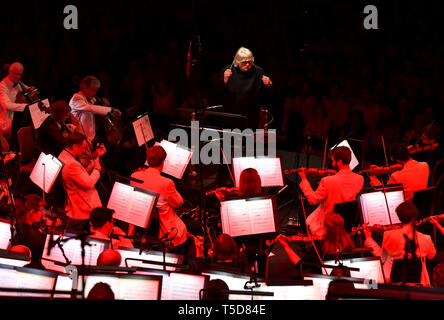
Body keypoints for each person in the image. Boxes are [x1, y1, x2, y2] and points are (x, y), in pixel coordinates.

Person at [130, 145, 195, 256]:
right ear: (163, 162)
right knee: (193, 226)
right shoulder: (167, 183)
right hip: (164, 229)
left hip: (141, 225)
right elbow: (178, 203)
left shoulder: (135, 176)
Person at [364, 201, 436, 286]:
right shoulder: (426, 238)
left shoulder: (388, 235)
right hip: (420, 286)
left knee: (368, 281)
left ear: (399, 217)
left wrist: (368, 237)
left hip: (395, 286)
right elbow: (432, 255)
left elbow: (383, 257)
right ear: (415, 216)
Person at [298, 146, 364, 237]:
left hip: (330, 224)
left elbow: (312, 200)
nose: (332, 163)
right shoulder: (360, 179)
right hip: (349, 224)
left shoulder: (327, 181)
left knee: (303, 212)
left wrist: (304, 179)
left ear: (339, 162)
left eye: (333, 161)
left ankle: (312, 246)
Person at [58, 132, 106, 232]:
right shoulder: (71, 164)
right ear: (75, 146)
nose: (85, 151)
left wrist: (97, 156)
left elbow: (81, 174)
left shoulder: (64, 155)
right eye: (83, 147)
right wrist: (97, 169)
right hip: (83, 207)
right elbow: (88, 184)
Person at [221, 47, 272, 128]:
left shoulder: (258, 71)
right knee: (230, 140)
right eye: (244, 62)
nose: (248, 64)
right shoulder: (228, 71)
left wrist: (268, 84)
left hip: (251, 117)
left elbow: (264, 96)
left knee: (249, 140)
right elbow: (220, 94)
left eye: (250, 61)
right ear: (237, 62)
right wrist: (224, 81)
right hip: (231, 116)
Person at [69, 75, 121, 143]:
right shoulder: (76, 98)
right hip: (80, 137)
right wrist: (111, 109)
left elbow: (96, 108)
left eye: (96, 90)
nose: (95, 93)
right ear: (84, 88)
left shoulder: (90, 98)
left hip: (90, 137)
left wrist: (103, 102)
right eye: (93, 90)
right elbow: (91, 108)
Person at [0, 62, 29, 139]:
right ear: (10, 72)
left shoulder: (17, 82)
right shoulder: (2, 86)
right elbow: (7, 105)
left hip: (16, 119)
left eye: (20, 74)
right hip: (5, 122)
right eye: (16, 74)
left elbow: (27, 88)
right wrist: (26, 106)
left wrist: (31, 89)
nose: (19, 77)